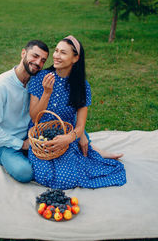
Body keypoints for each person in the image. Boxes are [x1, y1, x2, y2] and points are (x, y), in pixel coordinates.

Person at [27, 35, 127, 189]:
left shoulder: (81, 86)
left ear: (75, 58)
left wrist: (68, 138)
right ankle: (92, 150)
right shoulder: (41, 77)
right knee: (43, 175)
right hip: (41, 139)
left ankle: (92, 152)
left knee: (67, 179)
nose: (56, 56)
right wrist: (46, 93)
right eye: (56, 51)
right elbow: (34, 117)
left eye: (63, 52)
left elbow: (80, 125)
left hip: (66, 137)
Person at [0, 40, 49, 183]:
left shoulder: (35, 82)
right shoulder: (0, 86)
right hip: (4, 144)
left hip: (29, 137)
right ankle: (11, 157)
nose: (38, 63)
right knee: (24, 172)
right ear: (23, 53)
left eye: (43, 60)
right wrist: (22, 145)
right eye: (35, 56)